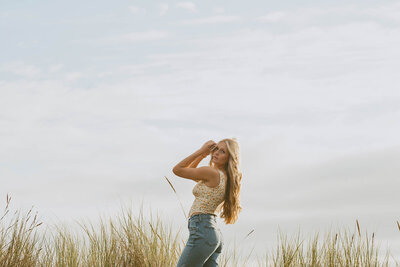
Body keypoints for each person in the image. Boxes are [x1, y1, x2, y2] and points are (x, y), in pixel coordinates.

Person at [172, 138, 243, 267]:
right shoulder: (226, 177)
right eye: (216, 149)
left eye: (222, 152)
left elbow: (178, 170)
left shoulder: (211, 173)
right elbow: (192, 171)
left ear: (229, 158)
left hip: (202, 229)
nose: (216, 153)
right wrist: (203, 154)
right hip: (212, 233)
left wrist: (200, 151)